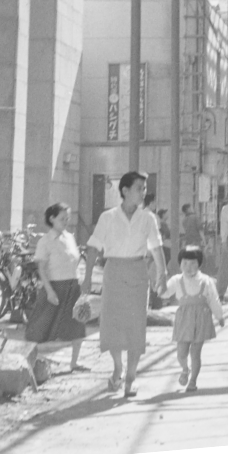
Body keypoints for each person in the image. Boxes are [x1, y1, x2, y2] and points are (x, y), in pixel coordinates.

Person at [82, 171, 167, 398]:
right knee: (113, 324)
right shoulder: (107, 217)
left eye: (144, 188)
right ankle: (118, 368)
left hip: (138, 273)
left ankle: (130, 377)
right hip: (114, 273)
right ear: (125, 190)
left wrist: (162, 273)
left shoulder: (148, 218)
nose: (143, 192)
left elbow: (156, 247)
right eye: (139, 188)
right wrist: (87, 277)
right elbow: (93, 247)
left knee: (136, 325)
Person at [26, 202, 87, 372]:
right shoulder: (45, 241)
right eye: (62, 218)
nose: (66, 222)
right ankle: (29, 363)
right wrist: (49, 291)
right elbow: (41, 269)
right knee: (40, 327)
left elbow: (75, 262)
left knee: (77, 327)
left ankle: (74, 363)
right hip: (54, 288)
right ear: (52, 219)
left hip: (73, 287)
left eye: (67, 218)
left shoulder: (70, 238)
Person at [160, 248, 223, 392]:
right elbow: (165, 293)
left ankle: (193, 380)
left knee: (195, 352)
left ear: (199, 264)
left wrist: (219, 316)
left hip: (202, 319)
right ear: (180, 264)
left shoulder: (206, 281)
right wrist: (160, 285)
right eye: (185, 263)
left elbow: (213, 299)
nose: (189, 267)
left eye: (193, 263)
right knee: (181, 352)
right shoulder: (176, 280)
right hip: (184, 319)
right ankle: (185, 368)